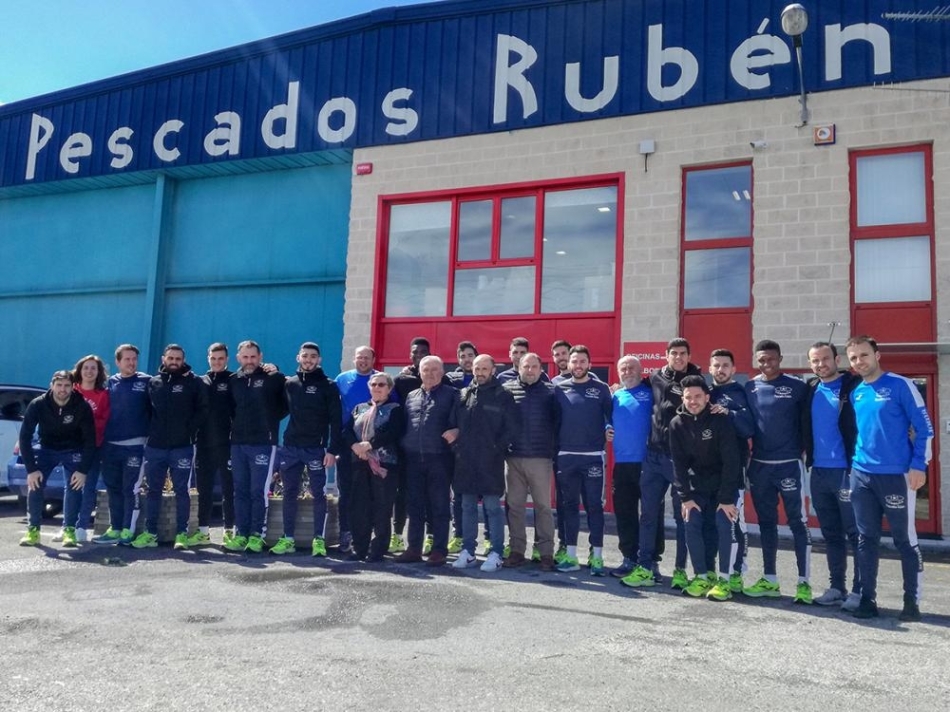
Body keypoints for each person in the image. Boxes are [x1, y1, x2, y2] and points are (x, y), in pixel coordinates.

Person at [845, 335, 933, 621]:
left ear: (877, 355)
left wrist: (919, 465)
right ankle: (868, 601)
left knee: (904, 540)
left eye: (864, 355)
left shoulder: (900, 385)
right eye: (854, 357)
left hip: (897, 476)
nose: (859, 361)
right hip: (861, 476)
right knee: (865, 539)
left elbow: (924, 429)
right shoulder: (857, 392)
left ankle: (912, 602)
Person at [622, 338, 697, 589]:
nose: (678, 357)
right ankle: (644, 568)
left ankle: (679, 571)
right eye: (674, 353)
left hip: (679, 459)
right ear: (666, 355)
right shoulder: (655, 377)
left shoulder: (695, 380)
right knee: (649, 515)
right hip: (652, 457)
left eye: (683, 353)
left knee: (682, 517)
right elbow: (633, 386)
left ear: (688, 356)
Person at [743, 339, 812, 603]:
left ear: (780, 359)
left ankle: (804, 583)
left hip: (789, 465)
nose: (766, 364)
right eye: (761, 360)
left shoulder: (797, 387)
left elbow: (809, 422)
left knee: (797, 523)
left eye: (771, 359)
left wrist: (804, 451)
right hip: (760, 466)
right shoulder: (750, 386)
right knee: (766, 524)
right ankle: (770, 580)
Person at [669, 376, 742, 601]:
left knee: (723, 524)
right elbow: (678, 464)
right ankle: (701, 576)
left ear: (707, 397)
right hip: (697, 487)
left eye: (698, 396)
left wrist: (727, 498)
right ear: (683, 398)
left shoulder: (720, 419)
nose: (693, 401)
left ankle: (725, 580)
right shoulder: (676, 423)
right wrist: (685, 498)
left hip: (725, 485)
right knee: (691, 521)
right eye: (688, 397)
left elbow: (732, 461)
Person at [132, 344, 208, 549]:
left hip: (182, 446)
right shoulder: (154, 382)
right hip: (155, 446)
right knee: (153, 490)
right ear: (164, 358)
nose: (174, 362)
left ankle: (182, 534)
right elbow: (146, 411)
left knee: (182, 490)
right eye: (171, 358)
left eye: (178, 359)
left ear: (183, 360)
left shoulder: (194, 382)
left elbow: (203, 410)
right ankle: (151, 533)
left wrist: (189, 430)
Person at [803, 341, 862, 610]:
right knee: (830, 534)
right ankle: (837, 587)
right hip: (819, 472)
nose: (820, 365)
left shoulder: (854, 387)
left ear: (836, 359)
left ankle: (861, 591)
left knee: (856, 533)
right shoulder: (811, 389)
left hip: (847, 472)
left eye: (825, 359)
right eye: (815, 361)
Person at [269, 342, 342, 557]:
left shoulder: (328, 385)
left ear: (318, 360)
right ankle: (288, 539)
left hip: (315, 449)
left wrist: (331, 450)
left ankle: (318, 540)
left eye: (313, 356)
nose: (308, 359)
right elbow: (276, 409)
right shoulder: (290, 384)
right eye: (305, 356)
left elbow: (335, 421)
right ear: (298, 358)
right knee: (289, 492)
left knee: (319, 494)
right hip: (291, 447)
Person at [452, 355, 518, 572]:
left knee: (492, 509)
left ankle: (496, 553)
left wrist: (496, 449)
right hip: (466, 461)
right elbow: (455, 425)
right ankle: (468, 552)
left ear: (493, 370)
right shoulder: (464, 394)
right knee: (467, 507)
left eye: (484, 368)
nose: (479, 372)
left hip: (491, 462)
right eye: (476, 368)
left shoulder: (503, 395)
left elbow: (511, 429)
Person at [553, 345, 613, 574]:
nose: (577, 366)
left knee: (594, 507)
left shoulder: (600, 388)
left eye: (582, 362)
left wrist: (609, 428)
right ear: (568, 363)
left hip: (592, 458)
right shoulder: (558, 387)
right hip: (566, 456)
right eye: (574, 361)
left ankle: (596, 556)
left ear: (589, 363)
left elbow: (611, 416)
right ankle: (570, 556)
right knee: (568, 507)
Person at [18, 371, 95, 547]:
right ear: (52, 385)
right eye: (59, 385)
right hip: (47, 449)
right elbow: (24, 438)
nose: (62, 389)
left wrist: (82, 470)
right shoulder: (38, 404)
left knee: (75, 485)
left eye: (67, 385)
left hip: (73, 449)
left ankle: (69, 530)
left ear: (72, 386)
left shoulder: (82, 406)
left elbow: (90, 440)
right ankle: (33, 530)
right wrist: (31, 470)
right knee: (35, 484)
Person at [395, 355, 459, 566]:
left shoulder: (453, 395)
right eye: (425, 370)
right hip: (413, 459)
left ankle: (439, 550)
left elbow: (461, 423)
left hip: (440, 459)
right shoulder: (411, 395)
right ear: (419, 372)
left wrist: (456, 431)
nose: (430, 374)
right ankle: (413, 548)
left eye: (434, 370)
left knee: (439, 506)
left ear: (442, 372)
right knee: (414, 506)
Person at [225, 340, 287, 553]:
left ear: (260, 357)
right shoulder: (234, 380)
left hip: (263, 443)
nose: (249, 361)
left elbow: (285, 405)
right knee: (240, 490)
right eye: (245, 357)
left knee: (258, 491)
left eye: (253, 357)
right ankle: (241, 534)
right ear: (238, 358)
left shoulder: (274, 378)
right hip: (238, 443)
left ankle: (256, 535)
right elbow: (231, 409)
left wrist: (268, 422)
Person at [502, 352, 559, 571]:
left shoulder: (551, 392)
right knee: (514, 506)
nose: (530, 370)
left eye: (534, 367)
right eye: (526, 366)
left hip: (540, 458)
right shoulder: (507, 390)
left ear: (540, 368)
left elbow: (558, 422)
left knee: (542, 507)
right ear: (519, 367)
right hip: (513, 458)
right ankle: (516, 550)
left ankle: (545, 553)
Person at [344, 372, 406, 562]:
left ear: (389, 388)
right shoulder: (359, 408)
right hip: (359, 463)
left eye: (381, 385)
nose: (377, 388)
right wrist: (355, 446)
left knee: (382, 507)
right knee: (359, 507)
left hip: (384, 465)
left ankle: (377, 549)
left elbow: (393, 432)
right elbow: (346, 430)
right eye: (374, 384)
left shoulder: (395, 409)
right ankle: (359, 548)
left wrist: (369, 445)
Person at [93, 344, 151, 546]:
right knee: (113, 488)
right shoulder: (110, 384)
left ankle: (129, 529)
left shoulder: (146, 382)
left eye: (134, 358)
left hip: (136, 447)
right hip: (110, 447)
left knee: (131, 489)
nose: (131, 362)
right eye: (127, 359)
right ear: (118, 362)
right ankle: (116, 528)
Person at [707, 348, 754, 593]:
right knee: (713, 524)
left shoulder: (740, 394)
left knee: (735, 522)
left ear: (733, 369)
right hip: (707, 471)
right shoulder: (706, 393)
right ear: (710, 368)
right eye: (716, 365)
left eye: (725, 365)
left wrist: (729, 413)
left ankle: (737, 572)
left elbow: (749, 428)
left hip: (733, 471)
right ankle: (715, 570)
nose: (721, 370)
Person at [335, 345, 383, 554]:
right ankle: (345, 533)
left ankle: (369, 535)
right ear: (354, 360)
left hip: (372, 446)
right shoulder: (341, 379)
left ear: (373, 360)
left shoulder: (379, 380)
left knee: (371, 494)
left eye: (366, 358)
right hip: (347, 444)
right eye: (359, 357)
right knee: (346, 491)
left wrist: (369, 444)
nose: (362, 361)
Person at [609, 355, 653, 577]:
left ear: (641, 370)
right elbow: (606, 419)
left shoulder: (651, 393)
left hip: (648, 465)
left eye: (631, 368)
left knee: (649, 515)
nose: (627, 371)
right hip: (622, 465)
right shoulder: (615, 395)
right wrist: (606, 427)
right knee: (625, 513)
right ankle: (628, 558)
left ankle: (651, 561)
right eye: (623, 368)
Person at [65, 354, 110, 543]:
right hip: (70, 448)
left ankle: (82, 527)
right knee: (71, 487)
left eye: (93, 368)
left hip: (94, 447)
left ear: (99, 372)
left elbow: (103, 420)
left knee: (88, 487)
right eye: (86, 368)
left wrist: (86, 427)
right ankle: (67, 527)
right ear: (79, 370)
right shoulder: (71, 391)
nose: (89, 371)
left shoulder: (103, 395)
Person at [193, 342, 234, 545]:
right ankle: (203, 531)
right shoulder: (200, 381)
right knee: (204, 489)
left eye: (221, 359)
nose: (217, 362)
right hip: (203, 444)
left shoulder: (235, 380)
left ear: (227, 360)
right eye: (213, 358)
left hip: (227, 444)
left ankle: (229, 531)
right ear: (208, 358)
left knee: (229, 489)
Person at [446, 340, 477, 554]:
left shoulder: (487, 379)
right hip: (456, 448)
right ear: (458, 360)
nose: (467, 359)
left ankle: (486, 538)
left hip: (481, 448)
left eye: (470, 355)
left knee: (484, 494)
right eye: (463, 356)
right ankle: (458, 536)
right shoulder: (451, 381)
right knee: (457, 494)